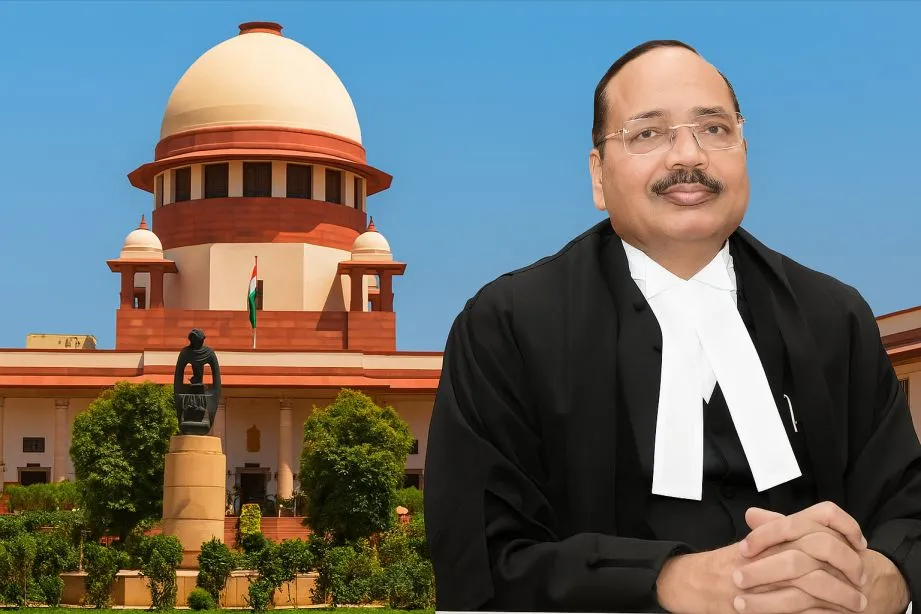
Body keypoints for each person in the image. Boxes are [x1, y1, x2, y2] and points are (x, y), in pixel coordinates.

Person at [424, 39, 921, 614]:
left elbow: (906, 510)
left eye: (713, 129)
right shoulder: (506, 327)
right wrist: (674, 582)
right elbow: (483, 560)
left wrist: (882, 580)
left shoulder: (835, 317)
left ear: (744, 149)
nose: (689, 156)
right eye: (647, 133)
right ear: (597, 175)